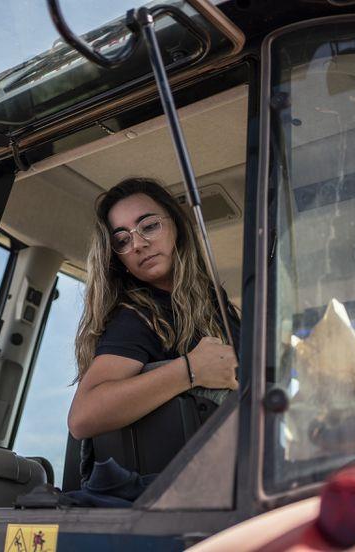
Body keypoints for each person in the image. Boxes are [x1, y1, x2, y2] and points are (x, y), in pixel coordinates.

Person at [69, 178, 240, 443]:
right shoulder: (136, 318)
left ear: (177, 226)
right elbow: (82, 417)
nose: (137, 244)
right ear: (119, 258)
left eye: (149, 226)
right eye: (122, 240)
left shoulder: (215, 302)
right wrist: (191, 370)